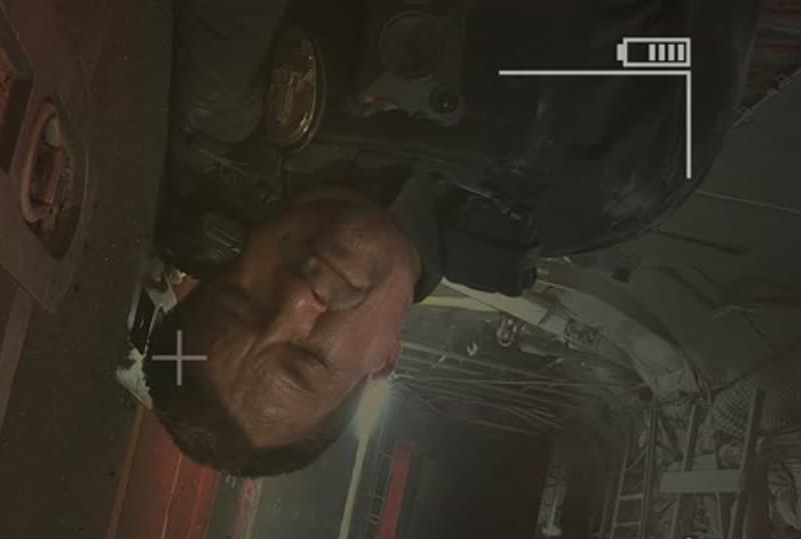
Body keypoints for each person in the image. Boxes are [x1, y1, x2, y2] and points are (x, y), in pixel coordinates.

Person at [143, 0, 761, 476]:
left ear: (226, 258)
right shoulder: (604, 193)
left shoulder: (239, 116)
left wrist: (211, 123)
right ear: (383, 362)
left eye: (244, 301)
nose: (298, 300)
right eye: (308, 357)